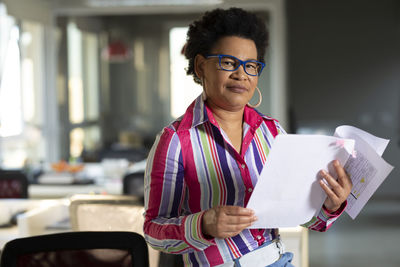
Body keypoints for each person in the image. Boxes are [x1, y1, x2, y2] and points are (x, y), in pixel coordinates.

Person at [143, 7, 352, 267]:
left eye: (251, 66)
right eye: (229, 63)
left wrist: (332, 204)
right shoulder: (175, 140)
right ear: (200, 66)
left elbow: (309, 219)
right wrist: (203, 224)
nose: (241, 74)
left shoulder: (273, 133)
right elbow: (153, 231)